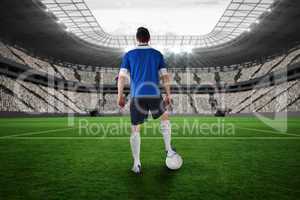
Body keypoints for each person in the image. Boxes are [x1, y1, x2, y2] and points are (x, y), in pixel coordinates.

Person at [117, 27, 178, 174]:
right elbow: (165, 77)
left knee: (135, 129)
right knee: (165, 119)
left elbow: (122, 77)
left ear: (137, 39)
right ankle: (169, 150)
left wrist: (120, 95)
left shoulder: (129, 55)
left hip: (137, 95)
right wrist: (168, 94)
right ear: (149, 38)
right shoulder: (157, 54)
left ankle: (137, 163)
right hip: (154, 93)